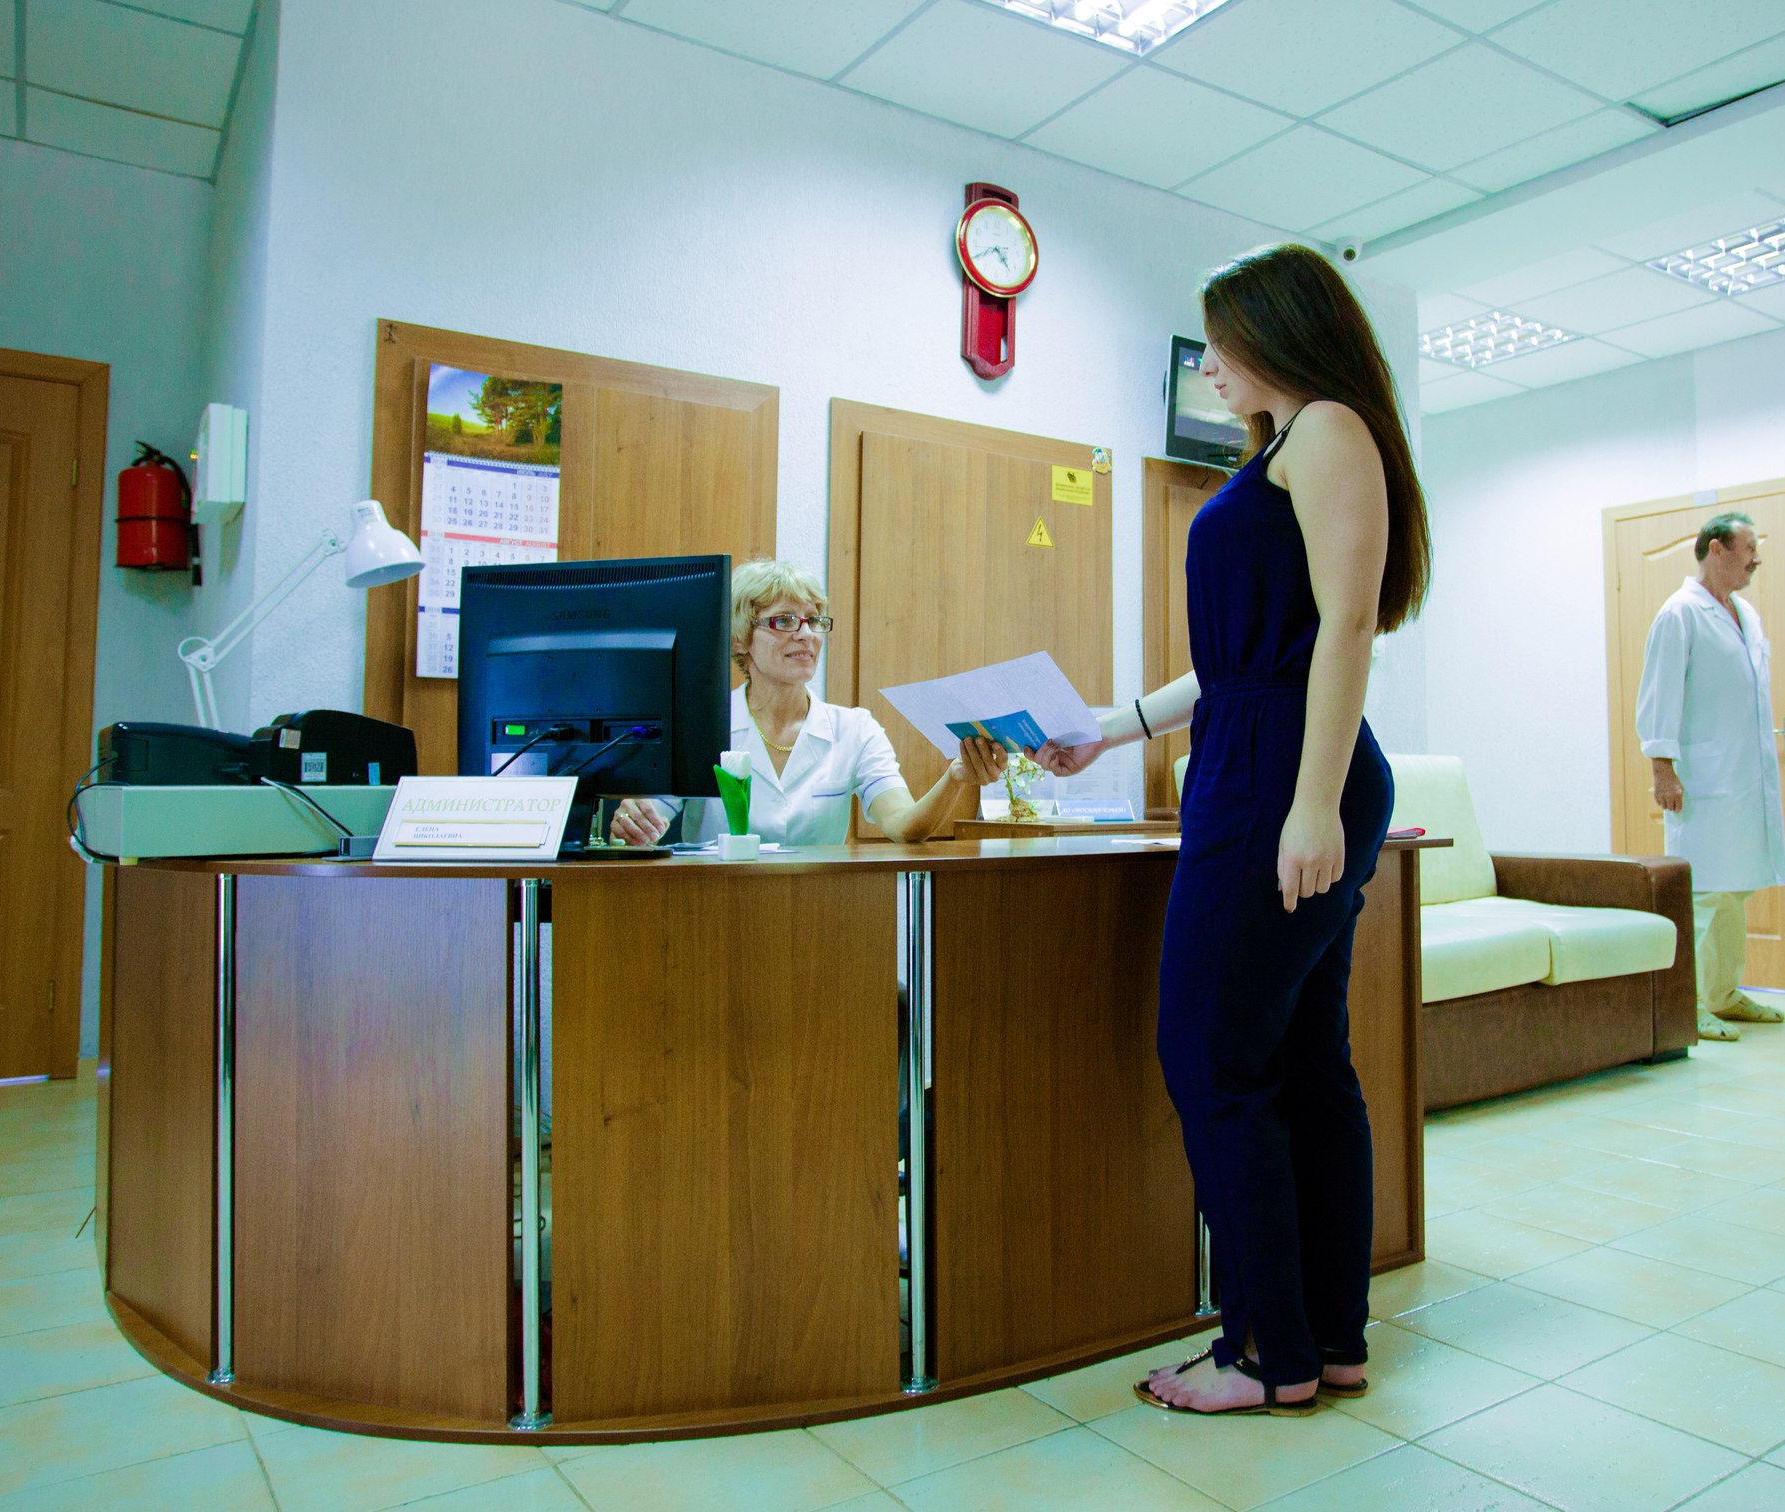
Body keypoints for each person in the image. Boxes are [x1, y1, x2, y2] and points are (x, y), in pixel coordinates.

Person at [1033, 243, 1429, 1418]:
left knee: (1212, 1058)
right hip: (1263, 750)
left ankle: (1263, 1352)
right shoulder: (1279, 449)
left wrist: (1310, 803)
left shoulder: (1328, 430)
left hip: (1282, 772)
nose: (1207, 364)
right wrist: (1111, 729)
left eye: (1219, 341)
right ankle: (1324, 1341)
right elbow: (1243, 659)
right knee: (1300, 1062)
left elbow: (1345, 627)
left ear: (1276, 331)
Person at [607, 559, 1004, 847]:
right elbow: (646, 819)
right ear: (739, 639)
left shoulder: (855, 729)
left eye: (813, 620)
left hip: (817, 912)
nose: (806, 635)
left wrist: (955, 777)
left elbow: (904, 825)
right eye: (784, 620)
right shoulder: (699, 726)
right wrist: (632, 822)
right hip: (715, 911)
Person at [1635, 512, 1785, 1043]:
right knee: (1702, 893)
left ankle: (1724, 993)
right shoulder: (1680, 613)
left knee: (1735, 889)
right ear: (1717, 549)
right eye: (1749, 548)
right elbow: (1659, 694)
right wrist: (1662, 766)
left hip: (1744, 778)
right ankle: (1691, 1003)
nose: (1757, 559)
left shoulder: (1745, 613)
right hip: (1702, 780)